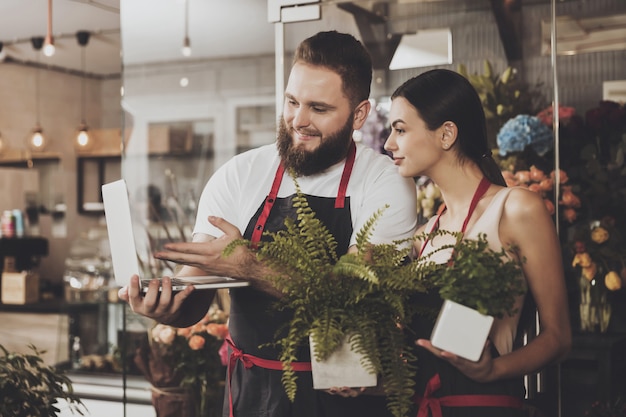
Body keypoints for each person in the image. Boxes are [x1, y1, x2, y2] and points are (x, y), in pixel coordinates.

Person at [119, 30, 418, 417]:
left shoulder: (384, 181)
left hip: (346, 398)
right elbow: (194, 296)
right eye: (291, 101)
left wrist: (249, 266)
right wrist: (165, 307)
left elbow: (350, 298)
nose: (299, 120)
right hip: (252, 396)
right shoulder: (241, 174)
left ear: (359, 114)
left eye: (319, 108)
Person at [383, 68, 571, 416]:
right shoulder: (424, 236)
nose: (388, 144)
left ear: (446, 134)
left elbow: (558, 338)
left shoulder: (515, 208)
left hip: (485, 405)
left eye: (400, 130)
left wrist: (493, 369)